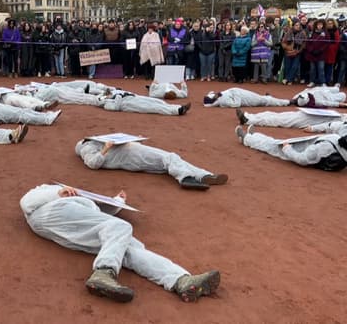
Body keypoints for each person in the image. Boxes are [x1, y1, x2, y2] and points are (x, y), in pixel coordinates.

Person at [19, 183, 221, 303]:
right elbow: (26, 202)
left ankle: (180, 282)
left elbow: (97, 216)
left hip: (68, 227)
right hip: (52, 213)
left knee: (125, 247)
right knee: (120, 228)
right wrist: (57, 192)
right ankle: (103, 272)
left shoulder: (77, 199)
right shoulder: (48, 190)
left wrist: (117, 202)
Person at [75, 139, 227, 190]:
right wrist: (106, 147)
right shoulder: (86, 147)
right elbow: (93, 163)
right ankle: (185, 178)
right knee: (169, 157)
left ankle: (204, 175)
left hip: (134, 152)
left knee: (170, 160)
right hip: (131, 157)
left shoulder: (95, 142)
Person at [235, 125, 347, 171]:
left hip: (301, 151)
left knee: (273, 145)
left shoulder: (325, 148)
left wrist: (287, 149)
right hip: (316, 149)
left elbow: (302, 159)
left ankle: (246, 139)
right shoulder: (341, 150)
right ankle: (255, 136)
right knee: (275, 142)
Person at [236, 108, 346, 129]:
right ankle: (249, 116)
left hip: (313, 121)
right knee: (277, 115)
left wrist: (313, 129)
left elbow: (332, 127)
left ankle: (248, 120)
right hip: (308, 114)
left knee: (279, 120)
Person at [103, 93, 191, 116]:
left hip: (134, 98)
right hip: (128, 105)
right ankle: (178, 111)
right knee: (153, 108)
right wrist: (118, 96)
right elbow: (115, 107)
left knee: (157, 102)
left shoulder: (114, 94)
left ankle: (179, 107)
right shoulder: (106, 104)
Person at [203, 88, 290, 107]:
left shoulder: (217, 96)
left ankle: (268, 97)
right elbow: (237, 104)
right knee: (264, 100)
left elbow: (210, 93)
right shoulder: (222, 101)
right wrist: (236, 94)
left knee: (262, 98)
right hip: (245, 99)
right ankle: (287, 102)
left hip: (240, 92)